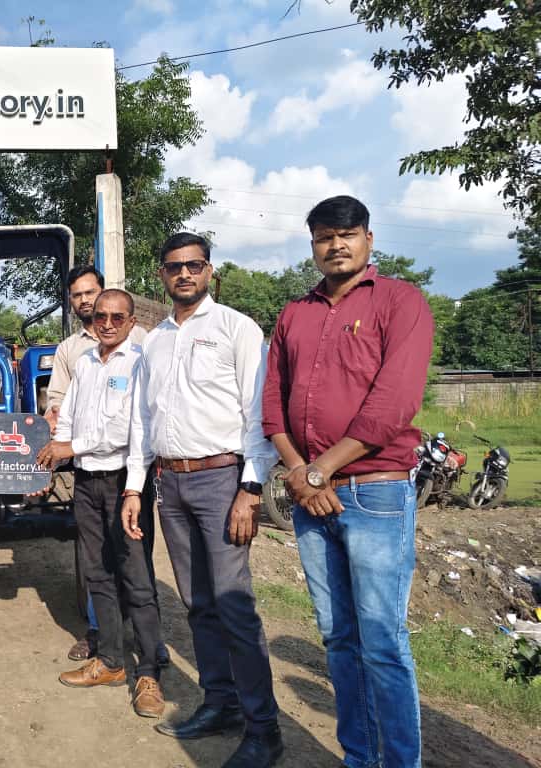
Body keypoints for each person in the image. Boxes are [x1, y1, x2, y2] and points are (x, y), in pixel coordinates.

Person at [263, 195, 433, 768]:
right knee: (338, 638)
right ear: (312, 245)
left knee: (382, 643)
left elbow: (393, 404)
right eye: (323, 237)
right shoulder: (294, 313)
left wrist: (318, 470)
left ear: (368, 238)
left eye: (347, 234)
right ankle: (359, 758)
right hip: (313, 496)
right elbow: (272, 403)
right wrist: (299, 472)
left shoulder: (400, 301)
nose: (335, 245)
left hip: (375, 492)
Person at [123, 233, 283, 768]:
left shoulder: (236, 329)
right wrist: (133, 485)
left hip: (222, 480)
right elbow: (143, 422)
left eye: (194, 265)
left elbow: (256, 416)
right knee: (198, 604)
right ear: (162, 275)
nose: (184, 275)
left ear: (209, 270)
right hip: (170, 483)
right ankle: (222, 704)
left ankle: (264, 728)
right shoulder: (154, 341)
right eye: (174, 267)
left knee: (235, 605)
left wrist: (251, 488)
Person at [38, 289, 165, 718]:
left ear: (131, 322)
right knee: (97, 573)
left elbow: (127, 432)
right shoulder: (88, 361)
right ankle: (111, 661)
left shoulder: (139, 362)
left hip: (124, 482)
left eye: (117, 317)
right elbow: (69, 415)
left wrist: (68, 448)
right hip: (88, 483)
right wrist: (56, 454)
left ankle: (149, 671)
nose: (107, 324)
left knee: (136, 576)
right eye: (101, 317)